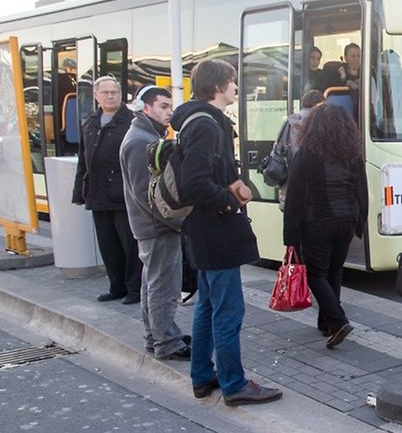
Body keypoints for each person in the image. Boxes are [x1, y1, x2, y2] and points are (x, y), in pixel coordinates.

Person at [174, 58, 283, 405]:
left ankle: (203, 377)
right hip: (215, 231)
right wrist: (229, 201)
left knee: (207, 306)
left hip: (203, 231)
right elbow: (194, 182)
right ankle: (234, 384)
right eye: (233, 82)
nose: (237, 87)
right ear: (219, 87)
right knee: (228, 310)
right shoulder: (206, 125)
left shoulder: (194, 120)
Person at [283, 103, 368, 349]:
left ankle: (338, 320)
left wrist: (290, 236)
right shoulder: (352, 154)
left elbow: (295, 197)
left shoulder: (307, 153)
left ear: (314, 127)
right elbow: (361, 190)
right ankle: (327, 322)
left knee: (315, 274)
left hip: (317, 222)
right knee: (334, 271)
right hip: (346, 221)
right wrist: (359, 221)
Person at [119, 87, 188, 360]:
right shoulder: (140, 141)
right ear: (146, 108)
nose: (169, 111)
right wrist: (178, 221)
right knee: (163, 286)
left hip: (151, 226)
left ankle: (157, 335)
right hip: (157, 227)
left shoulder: (144, 136)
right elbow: (147, 193)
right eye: (163, 106)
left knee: (152, 283)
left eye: (169, 106)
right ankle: (166, 342)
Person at [72, 76, 141, 304]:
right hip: (98, 194)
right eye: (106, 93)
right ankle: (116, 287)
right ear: (96, 96)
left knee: (130, 246)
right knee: (108, 245)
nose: (110, 96)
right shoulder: (90, 123)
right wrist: (79, 193)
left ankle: (134, 289)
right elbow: (83, 162)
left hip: (123, 196)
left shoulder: (132, 121)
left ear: (121, 95)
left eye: (114, 92)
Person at [275, 89, 325, 210]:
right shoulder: (322, 123)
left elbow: (277, 149)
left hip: (290, 189)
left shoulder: (288, 123)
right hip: (315, 193)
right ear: (319, 104)